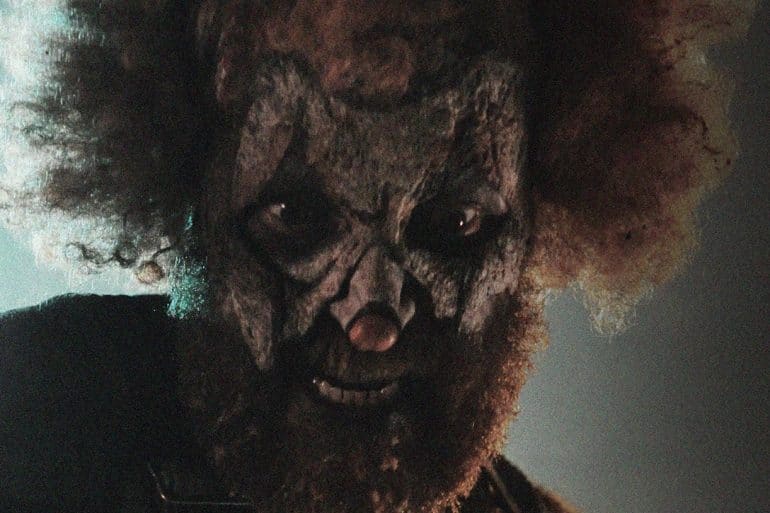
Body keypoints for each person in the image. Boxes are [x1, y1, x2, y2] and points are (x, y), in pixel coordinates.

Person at [0, 1, 752, 512]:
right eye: (298, 218)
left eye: (456, 223)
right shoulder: (34, 411)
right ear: (191, 196)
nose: (374, 324)